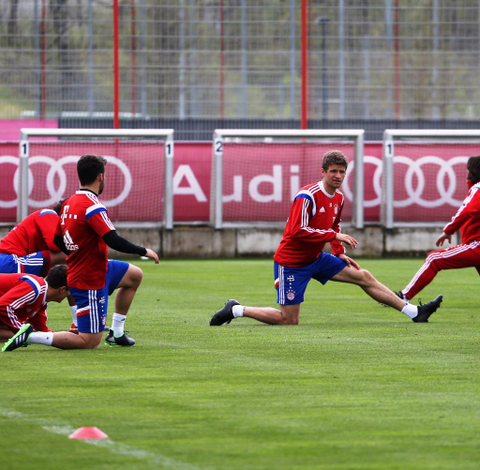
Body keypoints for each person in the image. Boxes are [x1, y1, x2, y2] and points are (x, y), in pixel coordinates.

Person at [210, 150, 443, 327]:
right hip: (291, 264)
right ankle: (236, 310)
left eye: (342, 172)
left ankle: (414, 312)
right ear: (323, 172)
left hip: (317, 259)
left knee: (364, 276)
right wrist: (335, 235)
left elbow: (334, 224)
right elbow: (297, 231)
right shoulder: (307, 196)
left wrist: (338, 250)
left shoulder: (339, 198)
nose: (338, 176)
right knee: (289, 320)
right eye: (333, 171)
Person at [2, 154, 159, 352]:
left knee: (134, 275)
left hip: (95, 266)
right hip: (89, 277)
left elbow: (58, 240)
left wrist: (78, 251)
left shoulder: (68, 204)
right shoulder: (92, 206)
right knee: (89, 342)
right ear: (101, 177)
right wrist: (143, 250)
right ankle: (31, 336)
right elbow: (112, 239)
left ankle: (117, 333)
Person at [399, 154, 480, 301]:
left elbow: (467, 210)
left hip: (477, 246)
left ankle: (403, 297)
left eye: (469, 170)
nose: (467, 173)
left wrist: (448, 231)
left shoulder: (478, 189)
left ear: (474, 171)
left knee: (434, 258)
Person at [0, 201, 78, 328]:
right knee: (71, 258)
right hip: (8, 261)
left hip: (12, 263)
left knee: (8, 330)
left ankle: (78, 322)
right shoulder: (49, 214)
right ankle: (78, 322)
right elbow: (55, 245)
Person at [0, 264, 70, 344]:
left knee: (23, 332)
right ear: (62, 289)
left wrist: (70, 335)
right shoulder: (35, 288)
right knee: (21, 332)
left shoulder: (41, 300)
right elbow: (4, 306)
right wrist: (21, 331)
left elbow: (42, 331)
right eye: (71, 289)